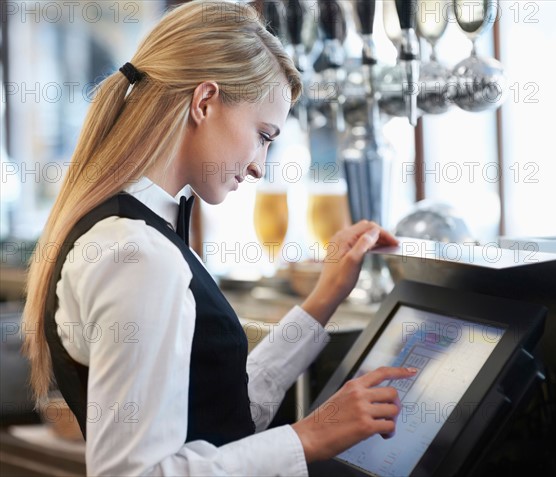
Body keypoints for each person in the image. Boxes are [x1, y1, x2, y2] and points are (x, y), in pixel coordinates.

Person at [22, 1, 417, 475]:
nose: (258, 166)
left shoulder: (144, 230)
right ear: (204, 101)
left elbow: (221, 410)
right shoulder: (138, 253)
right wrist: (309, 436)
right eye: (263, 134)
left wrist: (325, 296)